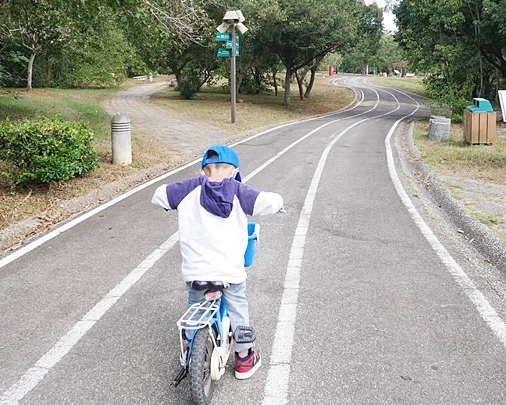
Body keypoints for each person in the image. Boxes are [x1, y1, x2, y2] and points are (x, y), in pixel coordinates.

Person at [151, 145, 283, 380]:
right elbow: (271, 202)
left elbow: (158, 195)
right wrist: (279, 205)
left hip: (195, 273)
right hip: (229, 272)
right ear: (234, 171)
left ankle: (191, 350)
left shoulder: (187, 189)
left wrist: (179, 195)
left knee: (194, 306)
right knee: (238, 305)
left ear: (203, 171)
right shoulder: (240, 191)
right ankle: (244, 358)